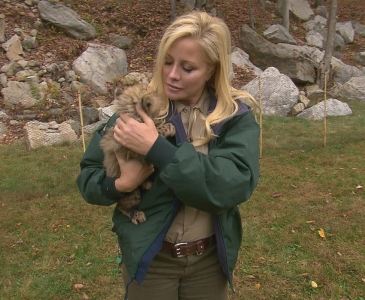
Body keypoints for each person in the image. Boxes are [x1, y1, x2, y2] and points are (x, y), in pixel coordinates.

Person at [76, 11, 260, 300]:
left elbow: (230, 186)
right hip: (152, 261)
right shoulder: (141, 108)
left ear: (212, 69)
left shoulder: (233, 118)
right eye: (167, 61)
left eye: (188, 68)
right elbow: (88, 177)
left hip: (209, 263)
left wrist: (156, 149)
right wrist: (121, 185)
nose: (172, 75)